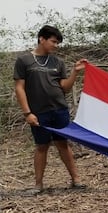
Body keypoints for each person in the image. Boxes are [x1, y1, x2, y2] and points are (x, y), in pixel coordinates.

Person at [13, 25, 88, 194]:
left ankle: (76, 180)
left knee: (63, 143)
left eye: (58, 43)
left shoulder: (57, 63)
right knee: (41, 146)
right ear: (42, 39)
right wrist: (27, 113)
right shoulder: (24, 61)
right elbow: (19, 88)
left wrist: (75, 73)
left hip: (59, 110)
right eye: (54, 42)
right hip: (38, 112)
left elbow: (65, 88)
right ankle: (38, 185)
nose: (56, 46)